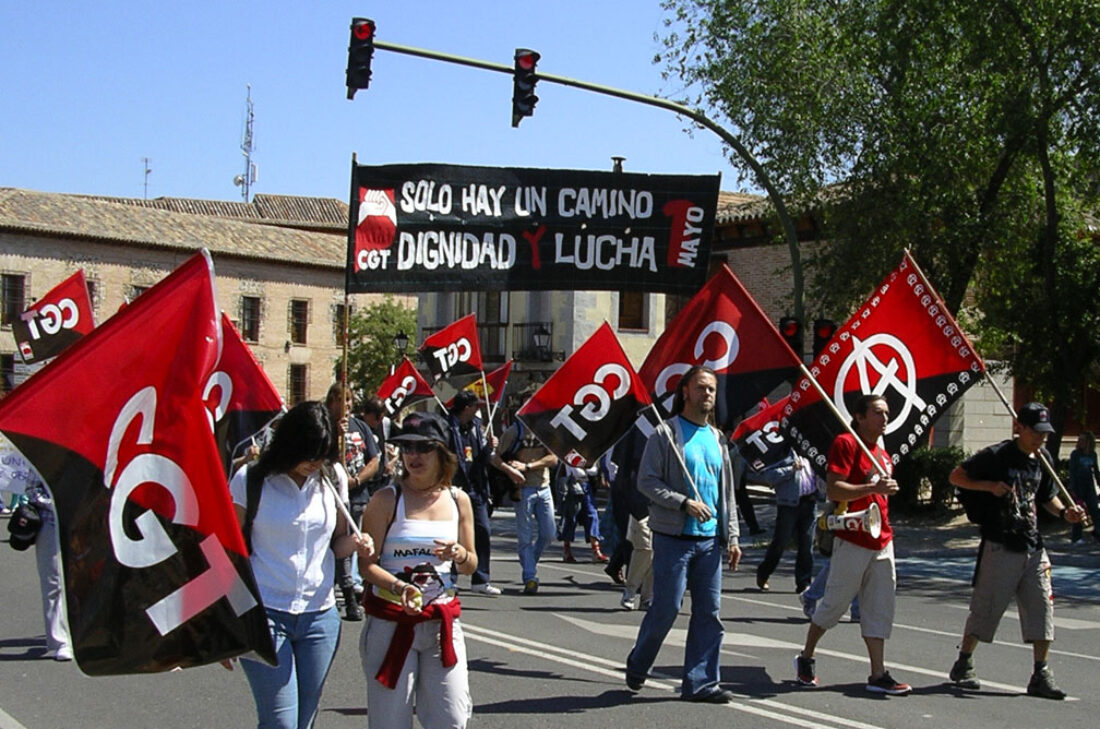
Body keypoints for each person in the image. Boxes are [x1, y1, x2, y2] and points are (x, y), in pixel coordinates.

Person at [227, 400, 375, 729]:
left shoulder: (332, 478)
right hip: (265, 616)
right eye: (307, 454)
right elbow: (228, 552)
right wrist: (225, 624)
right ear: (289, 445)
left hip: (320, 618)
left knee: (304, 719)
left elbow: (336, 545)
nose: (313, 463)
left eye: (321, 454)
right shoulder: (250, 480)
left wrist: (356, 544)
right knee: (280, 722)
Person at [947, 402, 1085, 699]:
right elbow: (956, 476)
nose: (1041, 438)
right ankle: (964, 661)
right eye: (1035, 431)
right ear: (1019, 428)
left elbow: (1047, 497)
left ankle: (1041, 671)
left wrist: (1065, 514)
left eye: (1045, 433)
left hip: (1033, 545)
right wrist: (989, 487)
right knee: (986, 608)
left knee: (1042, 608)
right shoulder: (997, 455)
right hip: (1001, 543)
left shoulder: (1043, 459)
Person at [624, 366, 742, 704]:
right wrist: (683, 503)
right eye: (701, 388)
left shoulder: (718, 439)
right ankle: (638, 663)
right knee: (666, 608)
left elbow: (727, 494)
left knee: (709, 612)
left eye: (712, 390)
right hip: (673, 537)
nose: (708, 394)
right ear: (685, 391)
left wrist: (731, 536)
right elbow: (646, 481)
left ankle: (701, 683)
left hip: (709, 542)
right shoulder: (666, 435)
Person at [358, 411, 476, 729]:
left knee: (452, 719)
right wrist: (400, 588)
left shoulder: (458, 500)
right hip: (390, 624)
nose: (413, 456)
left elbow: (471, 564)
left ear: (441, 451)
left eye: (422, 447)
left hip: (442, 625)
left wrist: (460, 553)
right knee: (389, 723)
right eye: (407, 448)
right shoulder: (386, 499)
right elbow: (366, 566)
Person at [795, 394, 910, 695]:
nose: (884, 418)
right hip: (853, 539)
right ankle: (806, 656)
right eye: (877, 413)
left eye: (886, 413)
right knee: (834, 605)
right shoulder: (846, 443)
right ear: (859, 417)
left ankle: (878, 672)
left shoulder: (883, 455)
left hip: (882, 540)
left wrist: (883, 490)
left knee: (878, 607)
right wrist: (873, 486)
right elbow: (835, 489)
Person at [326, 383, 380, 621]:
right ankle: (348, 597)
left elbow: (375, 459)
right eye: (339, 400)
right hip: (331, 499)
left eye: (348, 400)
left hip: (357, 497)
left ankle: (351, 590)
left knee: (353, 547)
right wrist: (335, 435)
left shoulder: (360, 426)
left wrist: (357, 480)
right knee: (337, 549)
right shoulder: (325, 427)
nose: (344, 405)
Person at [492, 417, 558, 595]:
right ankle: (530, 577)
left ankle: (530, 562)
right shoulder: (514, 432)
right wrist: (511, 470)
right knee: (525, 536)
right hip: (522, 489)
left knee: (549, 533)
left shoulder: (546, 429)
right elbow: (495, 457)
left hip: (544, 487)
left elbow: (553, 459)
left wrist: (527, 466)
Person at [446, 390, 500, 596]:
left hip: (475, 489)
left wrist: (488, 448)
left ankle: (481, 579)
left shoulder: (476, 428)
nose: (478, 410)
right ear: (466, 408)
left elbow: (481, 460)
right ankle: (450, 578)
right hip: (453, 488)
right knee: (452, 534)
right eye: (475, 406)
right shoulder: (448, 427)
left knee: (482, 531)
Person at [753, 448, 817, 593]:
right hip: (788, 504)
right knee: (780, 542)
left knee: (807, 544)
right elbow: (769, 476)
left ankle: (803, 583)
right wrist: (791, 469)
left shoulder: (811, 451)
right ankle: (764, 572)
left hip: (809, 501)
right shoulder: (780, 453)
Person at [557, 463, 609, 563]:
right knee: (571, 517)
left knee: (592, 515)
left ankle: (596, 551)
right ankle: (566, 550)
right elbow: (578, 471)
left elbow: (593, 471)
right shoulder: (571, 452)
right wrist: (586, 466)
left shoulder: (589, 452)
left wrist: (586, 467)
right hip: (573, 485)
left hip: (587, 485)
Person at [1067, 430, 1100, 544]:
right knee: (1079, 510)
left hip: (1089, 485)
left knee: (1095, 510)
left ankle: (1097, 534)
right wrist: (1073, 488)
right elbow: (1072, 472)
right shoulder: (1075, 454)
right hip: (1078, 485)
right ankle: (1076, 537)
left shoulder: (1092, 454)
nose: (1080, 442)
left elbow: (1096, 471)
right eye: (1079, 440)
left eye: (1083, 440)